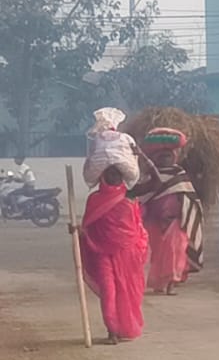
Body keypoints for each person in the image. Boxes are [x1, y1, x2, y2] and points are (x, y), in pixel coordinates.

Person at [80, 165, 149, 343]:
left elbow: (157, 182)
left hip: (128, 253)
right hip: (101, 252)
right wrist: (78, 231)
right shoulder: (94, 199)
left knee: (127, 291)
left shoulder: (129, 195)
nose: (114, 176)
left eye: (118, 173)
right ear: (103, 176)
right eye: (111, 173)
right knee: (109, 291)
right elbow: (88, 225)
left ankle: (124, 327)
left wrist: (143, 157)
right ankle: (112, 330)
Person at [132, 128, 204, 296]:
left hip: (176, 222)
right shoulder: (149, 176)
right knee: (157, 255)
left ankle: (171, 284)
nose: (165, 159)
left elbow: (188, 198)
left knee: (176, 252)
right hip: (153, 222)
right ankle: (159, 284)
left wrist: (184, 214)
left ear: (174, 157)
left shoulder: (180, 174)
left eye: (168, 156)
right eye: (161, 156)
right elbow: (143, 197)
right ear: (155, 159)